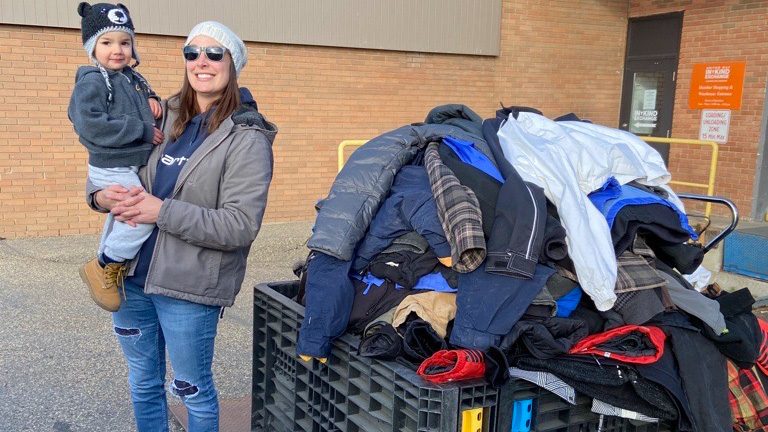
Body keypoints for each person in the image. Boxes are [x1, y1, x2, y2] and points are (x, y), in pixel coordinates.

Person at [86, 21, 276, 431]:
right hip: (129, 278)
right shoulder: (159, 112)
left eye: (214, 54)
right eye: (192, 53)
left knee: (192, 391)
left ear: (233, 63)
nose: (201, 62)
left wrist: (162, 212)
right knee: (142, 382)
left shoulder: (246, 137)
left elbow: (240, 225)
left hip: (189, 289)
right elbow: (110, 161)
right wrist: (99, 197)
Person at [68, 2, 165, 312]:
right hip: (110, 165)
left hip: (125, 163)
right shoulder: (92, 81)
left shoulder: (133, 79)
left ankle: (108, 266)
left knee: (121, 213)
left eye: (124, 42)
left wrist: (150, 99)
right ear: (92, 47)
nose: (117, 50)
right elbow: (89, 124)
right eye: (107, 42)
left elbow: (137, 102)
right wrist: (142, 130)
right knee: (139, 218)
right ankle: (104, 265)